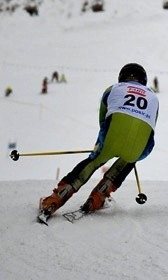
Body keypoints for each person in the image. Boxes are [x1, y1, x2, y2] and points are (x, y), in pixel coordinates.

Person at [39, 63, 159, 219]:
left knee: (94, 161)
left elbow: (103, 120)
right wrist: (135, 154)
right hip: (140, 147)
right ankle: (98, 197)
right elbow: (150, 130)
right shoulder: (154, 97)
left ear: (121, 77)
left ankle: (57, 197)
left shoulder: (114, 89)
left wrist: (102, 148)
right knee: (129, 159)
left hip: (111, 137)